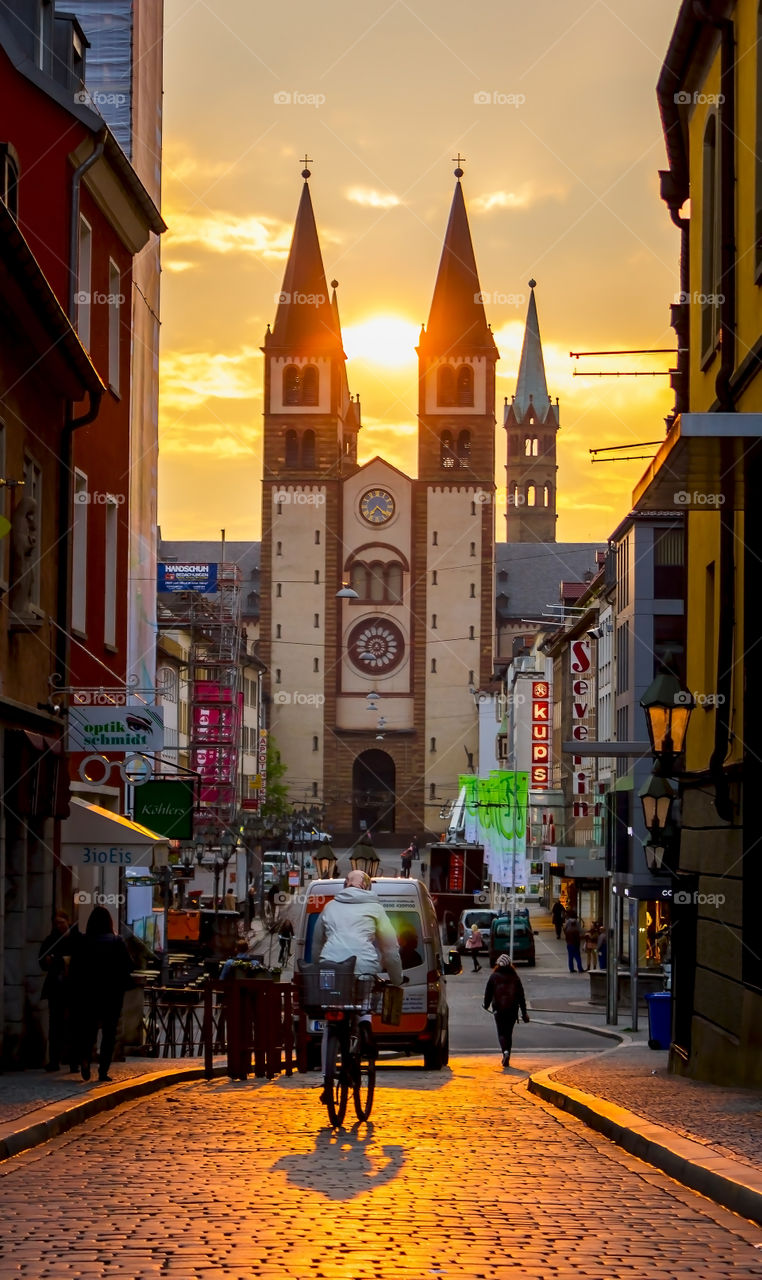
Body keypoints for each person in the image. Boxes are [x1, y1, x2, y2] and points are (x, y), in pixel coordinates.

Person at [312, 870, 403, 1101]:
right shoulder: (375, 909)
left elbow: (316, 944)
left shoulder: (330, 907)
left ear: (345, 885)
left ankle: (326, 1080)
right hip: (363, 966)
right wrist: (396, 979)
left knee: (331, 1020)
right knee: (362, 1003)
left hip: (331, 966)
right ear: (367, 887)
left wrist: (316, 968)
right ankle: (364, 1026)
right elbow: (391, 950)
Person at [70, 906, 133, 1083]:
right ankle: (103, 1070)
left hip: (88, 993)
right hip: (112, 994)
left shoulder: (83, 942)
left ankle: (85, 1058)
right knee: (109, 1033)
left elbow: (74, 969)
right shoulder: (117, 942)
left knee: (88, 1030)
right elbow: (129, 966)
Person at [39, 911, 76, 1073]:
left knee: (73, 1025)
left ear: (68, 921)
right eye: (57, 923)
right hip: (56, 987)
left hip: (73, 987)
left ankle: (73, 1060)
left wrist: (58, 959)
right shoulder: (51, 939)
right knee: (55, 1024)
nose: (59, 926)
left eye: (62, 922)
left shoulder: (75, 938)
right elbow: (43, 960)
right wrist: (51, 960)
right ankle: (54, 1060)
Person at [483, 955, 529, 1067]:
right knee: (508, 1033)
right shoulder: (515, 977)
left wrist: (486, 1005)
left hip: (499, 1009)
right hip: (512, 1009)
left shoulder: (494, 977)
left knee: (501, 1033)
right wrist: (524, 1013)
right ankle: (508, 1053)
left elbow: (488, 993)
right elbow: (521, 997)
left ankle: (505, 1052)